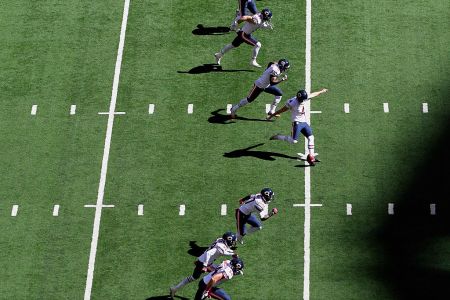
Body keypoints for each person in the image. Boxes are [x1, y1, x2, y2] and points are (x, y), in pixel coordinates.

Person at [267, 88, 329, 166]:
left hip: (304, 122)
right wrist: (272, 115)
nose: (303, 101)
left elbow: (313, 94)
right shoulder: (292, 103)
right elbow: (282, 110)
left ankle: (311, 156)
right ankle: (278, 136)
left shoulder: (303, 97)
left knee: (311, 137)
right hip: (297, 123)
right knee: (294, 141)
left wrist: (321, 91)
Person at [169, 232, 238, 298]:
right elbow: (209, 253)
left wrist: (233, 254)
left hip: (205, 261)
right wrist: (205, 266)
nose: (233, 243)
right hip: (203, 263)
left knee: (217, 272)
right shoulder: (221, 247)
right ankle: (176, 289)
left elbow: (224, 250)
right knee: (198, 277)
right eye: (233, 241)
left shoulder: (220, 240)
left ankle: (206, 289)